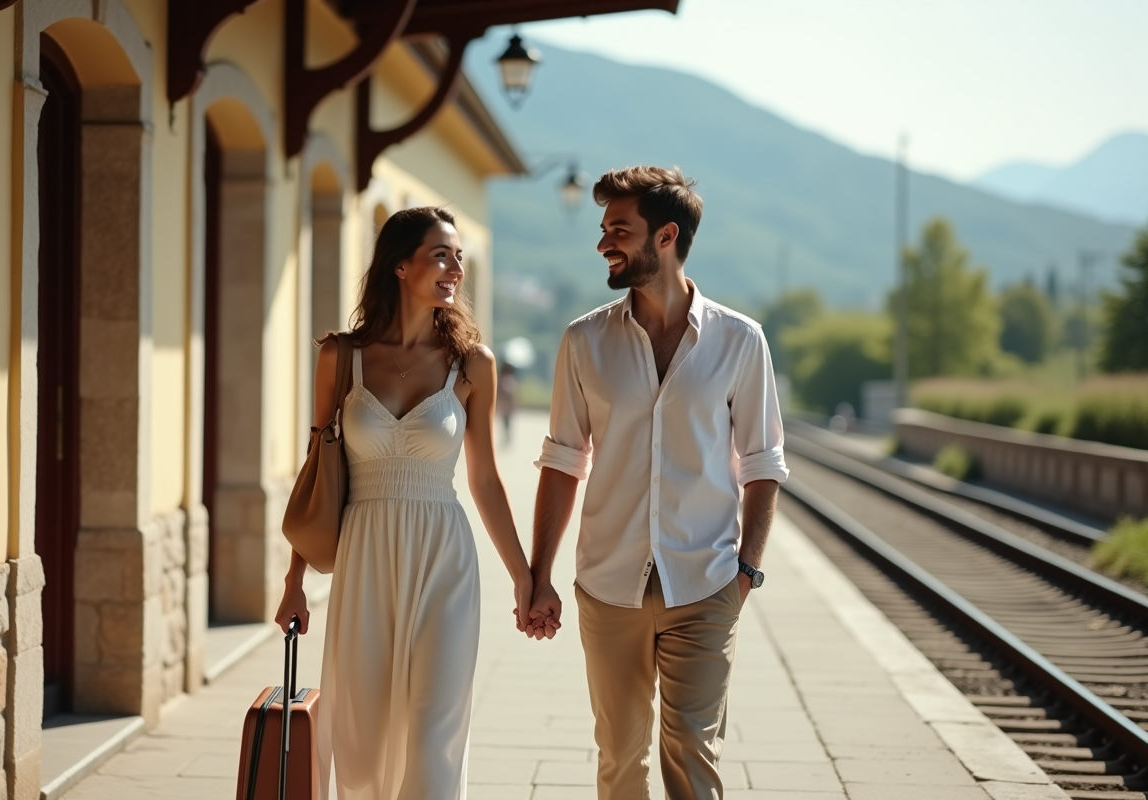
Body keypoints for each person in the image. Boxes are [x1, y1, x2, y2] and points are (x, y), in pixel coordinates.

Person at [525, 166, 789, 799]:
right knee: (619, 759)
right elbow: (563, 461)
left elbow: (763, 463)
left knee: (693, 755)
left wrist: (745, 574)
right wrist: (539, 577)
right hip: (608, 585)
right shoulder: (583, 341)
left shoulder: (740, 341)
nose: (603, 243)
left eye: (620, 229)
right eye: (603, 228)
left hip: (704, 583)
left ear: (665, 236)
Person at [274, 206, 534, 800]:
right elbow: (317, 470)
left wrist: (524, 579)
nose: (455, 270)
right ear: (399, 265)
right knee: (363, 745)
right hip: (366, 556)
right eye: (442, 255)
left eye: (460, 257)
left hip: (444, 557)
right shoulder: (341, 357)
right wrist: (294, 580)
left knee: (431, 737)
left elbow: (487, 481)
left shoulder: (473, 365)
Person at [496, 361, 518, 446]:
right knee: (506, 421)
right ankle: (507, 436)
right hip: (506, 405)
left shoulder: (503, 379)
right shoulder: (510, 379)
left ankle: (507, 436)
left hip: (505, 405)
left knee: (506, 421)